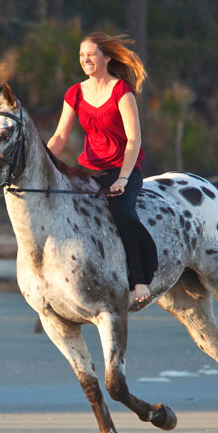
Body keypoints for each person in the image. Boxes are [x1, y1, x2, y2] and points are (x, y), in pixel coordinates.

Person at [47, 32, 158, 303]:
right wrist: (43, 163)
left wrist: (123, 177)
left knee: (123, 213)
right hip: (88, 170)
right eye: (82, 55)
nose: (86, 59)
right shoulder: (75, 93)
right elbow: (60, 137)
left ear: (106, 58)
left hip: (121, 170)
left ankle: (140, 278)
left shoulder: (122, 91)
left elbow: (134, 139)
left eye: (91, 54)